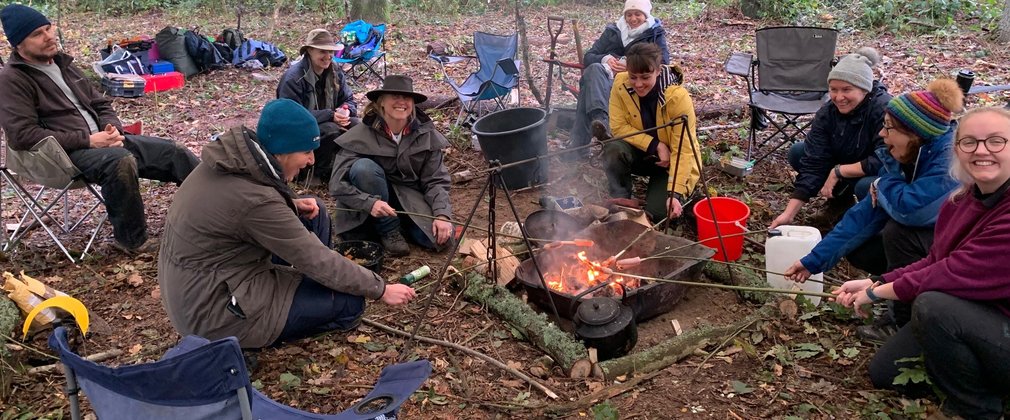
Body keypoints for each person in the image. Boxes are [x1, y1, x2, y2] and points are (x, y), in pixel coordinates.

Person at [158, 99, 415, 349]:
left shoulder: (229, 161)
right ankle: (247, 342)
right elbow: (314, 257)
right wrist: (380, 289)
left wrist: (289, 205)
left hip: (200, 287)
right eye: (306, 151)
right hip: (215, 313)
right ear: (281, 150)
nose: (312, 160)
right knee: (350, 303)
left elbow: (236, 217)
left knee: (315, 210)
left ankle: (308, 289)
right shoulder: (256, 202)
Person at [832, 107, 1010, 419]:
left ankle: (978, 408)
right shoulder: (962, 200)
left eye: (996, 141)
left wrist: (878, 294)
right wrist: (876, 280)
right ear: (957, 150)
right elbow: (936, 258)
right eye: (970, 142)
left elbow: (952, 272)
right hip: (977, 313)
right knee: (886, 371)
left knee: (933, 306)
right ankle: (971, 368)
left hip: (997, 322)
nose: (982, 151)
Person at [0, 4, 200, 253]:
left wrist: (112, 129)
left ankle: (217, 212)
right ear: (19, 44)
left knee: (175, 152)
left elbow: (100, 103)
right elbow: (22, 135)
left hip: (104, 142)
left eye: (48, 28)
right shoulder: (13, 79)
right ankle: (132, 241)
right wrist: (88, 140)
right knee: (120, 161)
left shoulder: (64, 64)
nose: (49, 36)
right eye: (37, 34)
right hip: (62, 157)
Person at [785, 79, 964, 339]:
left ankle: (903, 321)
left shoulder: (949, 160)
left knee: (899, 232)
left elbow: (913, 210)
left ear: (913, 134)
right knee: (861, 246)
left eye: (889, 128)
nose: (882, 134)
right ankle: (897, 291)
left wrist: (881, 186)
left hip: (958, 254)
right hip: (931, 247)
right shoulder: (903, 155)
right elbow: (864, 214)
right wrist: (812, 261)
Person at [330, 75, 453, 257]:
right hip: (367, 201)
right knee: (364, 168)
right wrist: (369, 203)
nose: (401, 102)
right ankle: (388, 230)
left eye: (406, 98)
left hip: (409, 199)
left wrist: (442, 215)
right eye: (394, 96)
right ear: (381, 102)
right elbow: (336, 185)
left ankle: (402, 224)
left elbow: (436, 180)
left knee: (439, 240)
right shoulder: (360, 135)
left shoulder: (426, 134)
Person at [770, 47, 892, 229]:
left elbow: (887, 159)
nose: (838, 97)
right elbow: (814, 161)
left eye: (846, 89)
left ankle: (875, 222)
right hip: (846, 159)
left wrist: (838, 172)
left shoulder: (883, 109)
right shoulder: (828, 112)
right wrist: (789, 214)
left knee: (866, 186)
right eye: (833, 89)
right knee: (799, 152)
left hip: (877, 170)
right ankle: (839, 202)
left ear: (864, 89)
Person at [601, 42, 700, 222]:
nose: (638, 84)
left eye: (645, 77)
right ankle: (621, 199)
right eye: (633, 77)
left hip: (671, 163)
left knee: (660, 214)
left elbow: (684, 150)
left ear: (658, 70)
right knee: (613, 148)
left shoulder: (678, 98)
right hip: (643, 153)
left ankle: (674, 194)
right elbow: (618, 127)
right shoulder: (620, 84)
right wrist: (655, 145)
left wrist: (675, 193)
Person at [565, 0, 669, 159]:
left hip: (634, 83)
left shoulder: (654, 33)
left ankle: (579, 146)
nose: (633, 19)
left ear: (645, 15)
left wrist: (633, 66)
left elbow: (663, 63)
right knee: (593, 69)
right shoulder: (613, 30)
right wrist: (605, 59)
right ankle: (601, 122)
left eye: (637, 14)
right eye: (629, 14)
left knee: (588, 89)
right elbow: (589, 56)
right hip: (605, 79)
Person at [277, 28, 358, 184]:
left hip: (329, 120)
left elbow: (349, 99)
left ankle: (342, 168)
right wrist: (330, 115)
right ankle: (311, 173)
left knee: (357, 126)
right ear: (309, 51)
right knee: (331, 130)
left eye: (331, 52)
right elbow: (290, 117)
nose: (328, 57)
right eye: (322, 51)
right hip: (298, 133)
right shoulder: (294, 78)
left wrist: (346, 111)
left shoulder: (334, 71)